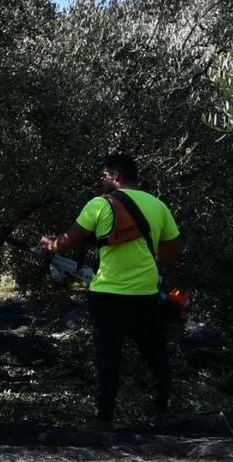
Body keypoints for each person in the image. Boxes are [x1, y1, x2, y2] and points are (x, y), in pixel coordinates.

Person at [39, 153, 183, 429]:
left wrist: (50, 244)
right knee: (155, 354)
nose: (103, 179)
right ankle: (164, 411)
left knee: (108, 357)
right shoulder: (158, 206)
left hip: (108, 296)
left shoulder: (99, 205)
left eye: (105, 174)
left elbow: (67, 242)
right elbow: (174, 250)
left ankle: (104, 419)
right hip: (146, 295)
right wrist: (152, 260)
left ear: (116, 175)